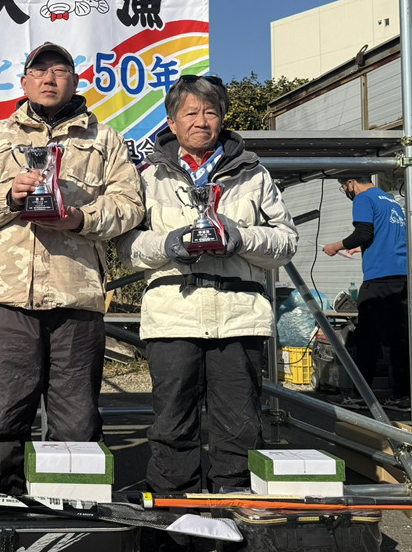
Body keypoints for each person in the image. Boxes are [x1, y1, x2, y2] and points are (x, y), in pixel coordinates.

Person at [0, 42, 144, 494]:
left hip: (77, 295)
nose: (49, 79)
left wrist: (80, 218)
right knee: (2, 417)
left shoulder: (105, 140)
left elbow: (130, 205)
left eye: (60, 71)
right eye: (39, 71)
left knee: (77, 420)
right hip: (7, 299)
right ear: (24, 82)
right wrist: (8, 196)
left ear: (74, 81)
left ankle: (72, 514)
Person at [117, 74, 297, 495]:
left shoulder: (254, 174)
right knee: (172, 426)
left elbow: (286, 242)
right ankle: (176, 518)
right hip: (173, 317)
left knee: (239, 427)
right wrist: (169, 244)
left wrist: (240, 238)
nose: (201, 121)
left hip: (239, 318)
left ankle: (235, 515)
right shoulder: (148, 178)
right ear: (172, 122)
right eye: (191, 113)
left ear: (223, 118)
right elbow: (126, 249)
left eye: (211, 112)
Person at [321, 175, 411, 412]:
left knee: (367, 338)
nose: (346, 191)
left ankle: (362, 396)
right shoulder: (390, 201)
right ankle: (402, 396)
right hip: (402, 276)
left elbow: (363, 233)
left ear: (352, 183)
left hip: (378, 278)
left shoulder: (363, 198)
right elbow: (386, 237)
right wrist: (360, 249)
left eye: (344, 187)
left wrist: (335, 246)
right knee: (400, 339)